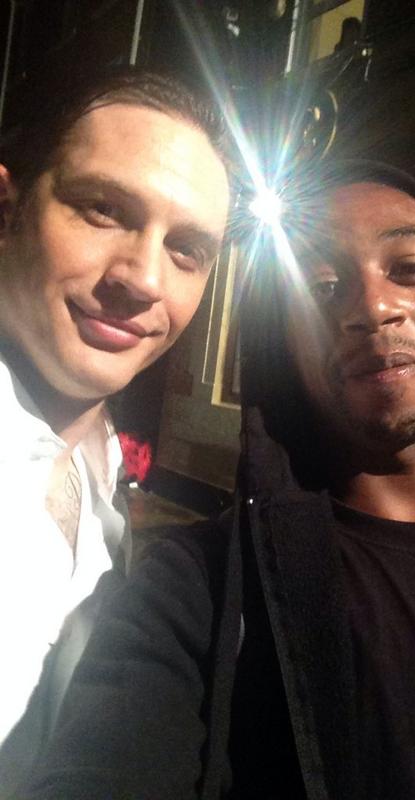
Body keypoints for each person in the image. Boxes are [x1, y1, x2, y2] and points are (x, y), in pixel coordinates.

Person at [21, 162, 415, 799]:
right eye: (322, 286)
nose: (373, 308)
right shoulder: (202, 588)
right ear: (284, 345)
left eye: (409, 269)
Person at [0, 66, 229, 795]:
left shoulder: (100, 463)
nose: (144, 279)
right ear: (6, 212)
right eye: (103, 209)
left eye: (187, 249)